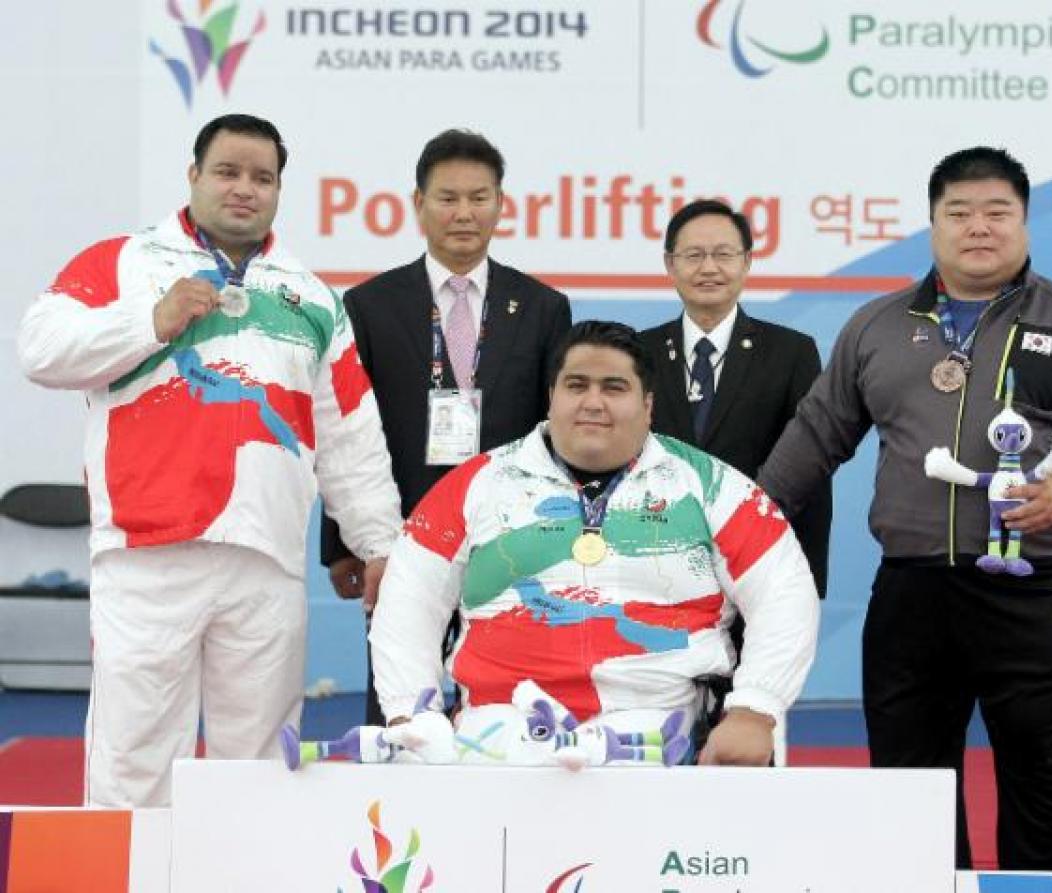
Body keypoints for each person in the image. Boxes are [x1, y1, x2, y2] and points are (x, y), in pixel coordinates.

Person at [758, 147, 1052, 868]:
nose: (980, 227)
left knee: (1043, 769)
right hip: (914, 586)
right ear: (933, 223)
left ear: (1026, 222)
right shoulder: (877, 326)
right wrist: (745, 525)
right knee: (908, 777)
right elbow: (817, 435)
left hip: (1041, 581)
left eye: (998, 211)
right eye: (960, 212)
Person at [16, 114, 402, 808]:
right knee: (134, 762)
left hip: (266, 560)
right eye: (228, 171)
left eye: (263, 177)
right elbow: (41, 349)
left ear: (281, 189)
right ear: (193, 175)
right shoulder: (124, 261)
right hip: (146, 553)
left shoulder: (311, 296)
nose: (244, 189)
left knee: (255, 770)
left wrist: (377, 541)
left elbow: (348, 431)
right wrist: (149, 321)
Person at [370, 321, 820, 765]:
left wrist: (755, 708)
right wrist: (410, 713)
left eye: (614, 387)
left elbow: (784, 590)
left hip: (659, 743)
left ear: (648, 404)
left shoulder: (711, 485)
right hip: (497, 743)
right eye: (577, 385)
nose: (592, 402)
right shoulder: (477, 484)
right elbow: (408, 596)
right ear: (552, 397)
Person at [320, 128, 571, 726]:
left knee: (506, 710)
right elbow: (345, 430)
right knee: (402, 706)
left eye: (479, 198)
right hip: (403, 538)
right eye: (448, 197)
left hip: (509, 543)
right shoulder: (369, 305)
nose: (464, 213)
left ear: (501, 205)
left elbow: (556, 436)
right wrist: (343, 543)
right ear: (418, 204)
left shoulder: (542, 307)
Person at [641, 199, 832, 596]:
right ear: (670, 264)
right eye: (693, 255)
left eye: (723, 255)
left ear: (746, 262)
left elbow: (808, 468)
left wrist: (804, 582)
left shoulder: (791, 352)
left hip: (757, 568)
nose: (709, 268)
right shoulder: (639, 353)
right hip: (655, 569)